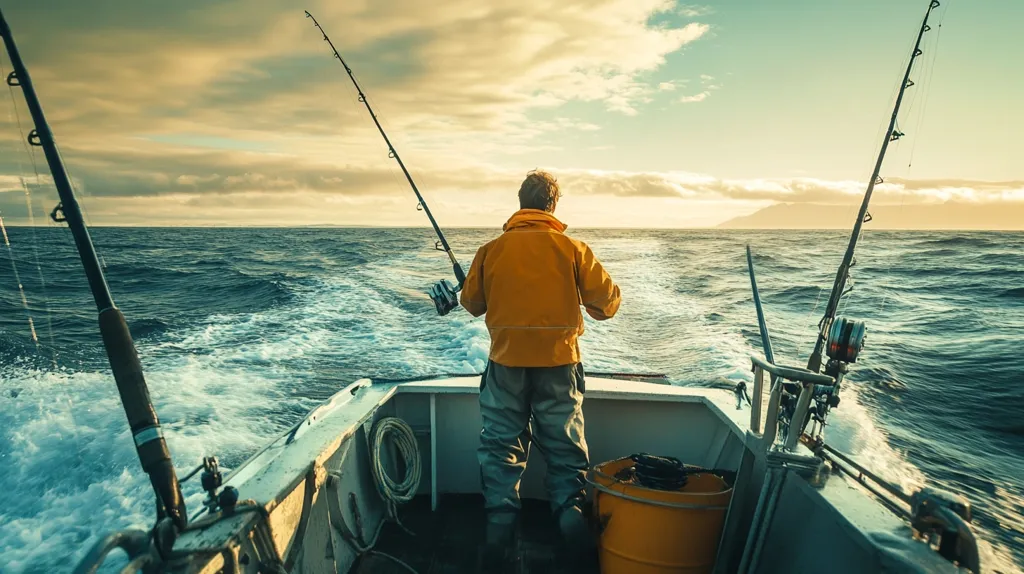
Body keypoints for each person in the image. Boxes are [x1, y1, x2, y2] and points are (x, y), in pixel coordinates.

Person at [460, 169, 621, 570]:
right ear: (552, 205)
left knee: (501, 447)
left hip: (505, 364)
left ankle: (498, 533)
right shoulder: (573, 249)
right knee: (564, 448)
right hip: (559, 364)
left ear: (521, 204)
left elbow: (472, 304)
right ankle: (571, 524)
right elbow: (607, 306)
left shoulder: (490, 251)